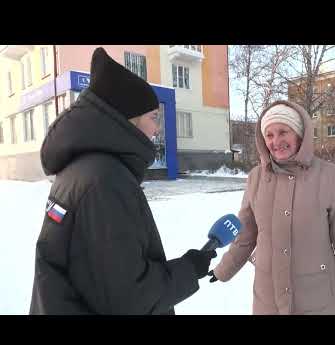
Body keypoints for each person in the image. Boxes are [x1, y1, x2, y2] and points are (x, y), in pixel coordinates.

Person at [29, 47, 216, 315]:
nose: (158, 128)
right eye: (153, 117)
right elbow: (130, 299)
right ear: (127, 119)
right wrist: (188, 269)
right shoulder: (104, 182)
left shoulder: (84, 169)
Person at [208, 100, 335, 315]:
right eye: (269, 135)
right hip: (267, 300)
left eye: (283, 132)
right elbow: (246, 236)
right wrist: (224, 270)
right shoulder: (256, 178)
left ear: (299, 133)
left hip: (317, 300)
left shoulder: (329, 176)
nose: (276, 141)